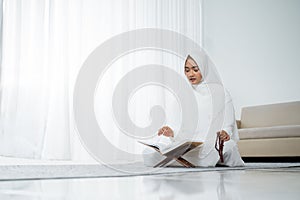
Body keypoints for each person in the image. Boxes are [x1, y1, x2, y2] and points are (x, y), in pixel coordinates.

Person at [143, 49, 245, 167]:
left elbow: (228, 124)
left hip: (209, 142)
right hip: (184, 144)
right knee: (149, 153)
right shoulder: (183, 94)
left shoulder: (220, 93)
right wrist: (170, 131)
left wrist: (225, 133)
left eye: (195, 70)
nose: (190, 74)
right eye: (187, 70)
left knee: (226, 147)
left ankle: (181, 161)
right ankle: (188, 160)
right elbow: (175, 125)